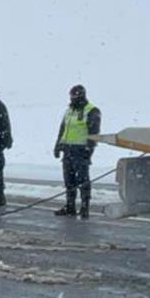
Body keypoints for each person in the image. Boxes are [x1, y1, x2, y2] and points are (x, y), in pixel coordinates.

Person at [53, 84, 101, 218]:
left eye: (75, 96)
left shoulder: (91, 110)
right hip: (67, 150)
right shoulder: (69, 111)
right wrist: (58, 145)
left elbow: (94, 133)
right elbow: (63, 129)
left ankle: (85, 207)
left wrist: (89, 150)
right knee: (69, 181)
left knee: (83, 181)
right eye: (71, 96)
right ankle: (70, 206)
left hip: (80, 151)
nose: (72, 98)